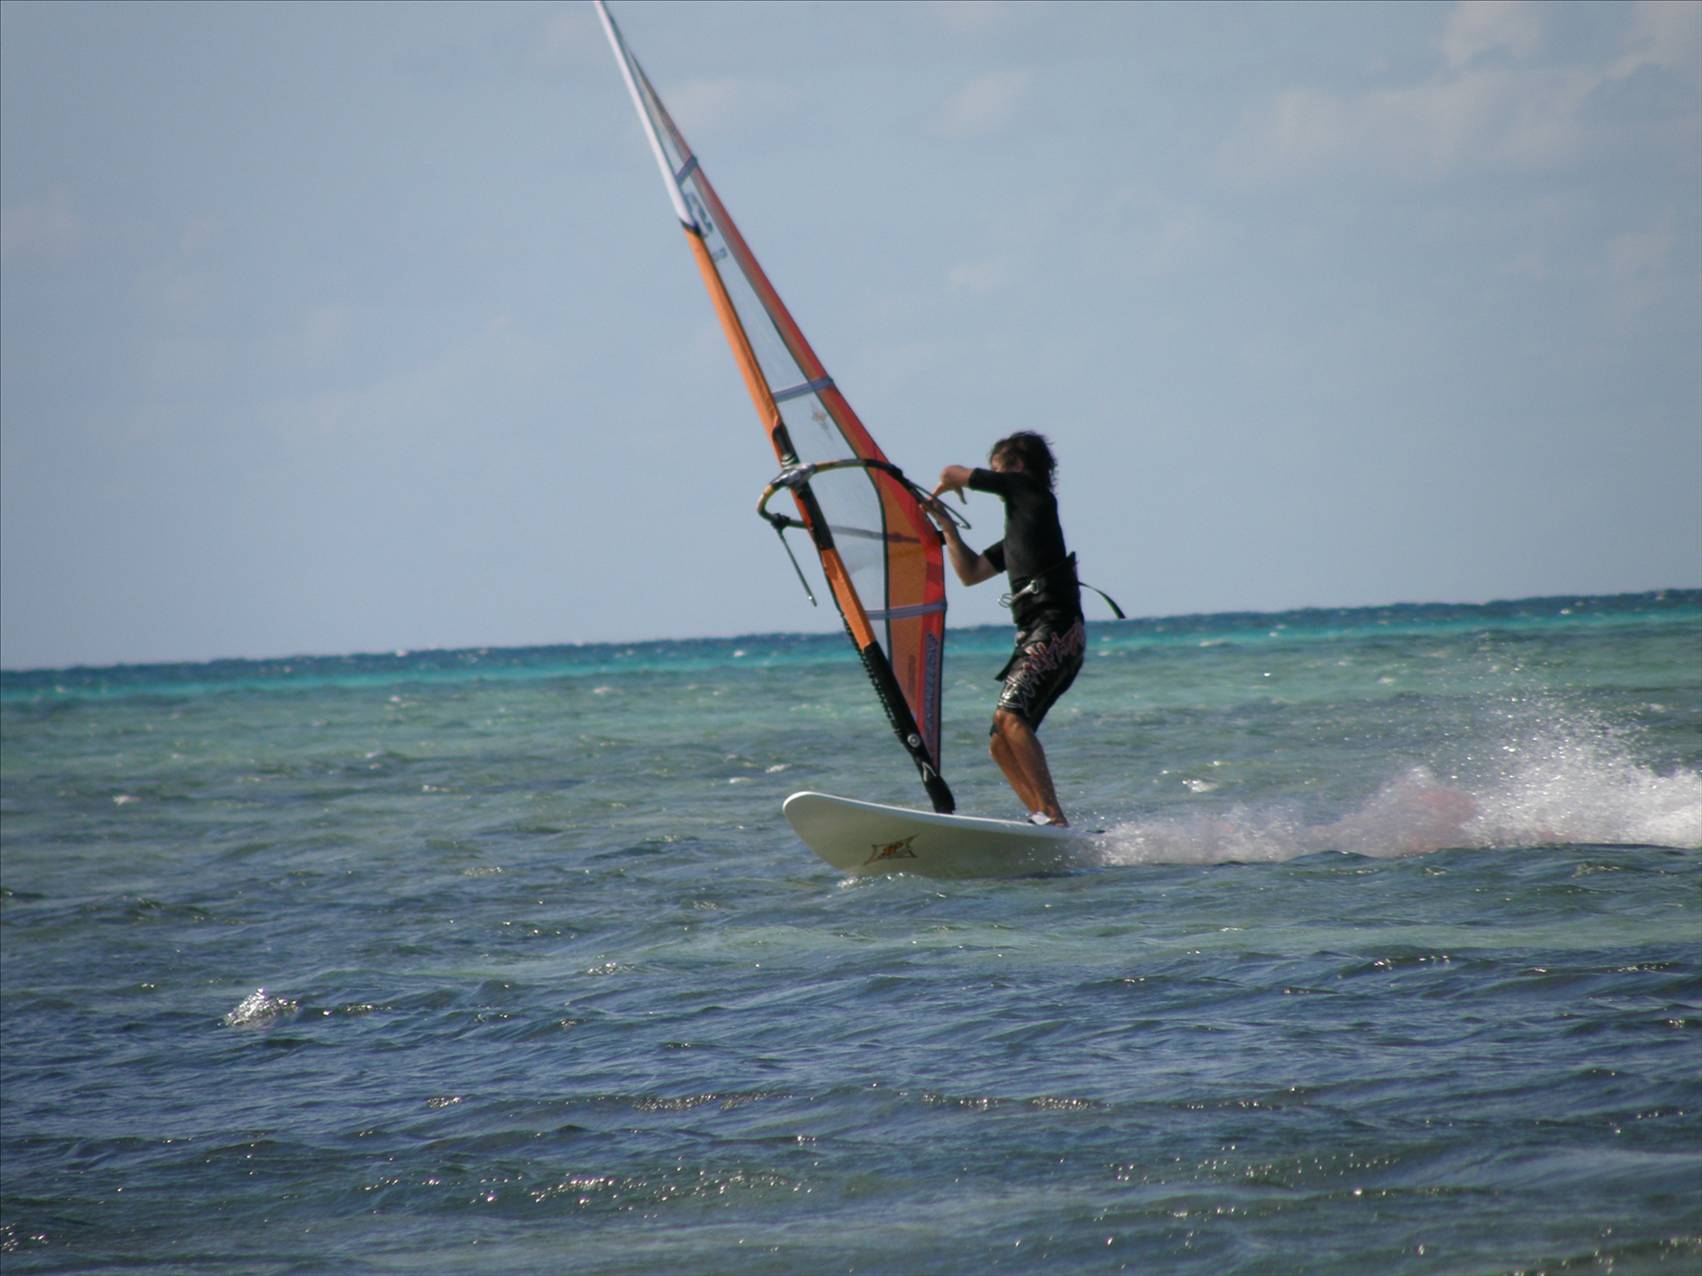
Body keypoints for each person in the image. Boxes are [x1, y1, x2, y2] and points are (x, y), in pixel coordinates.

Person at [929, 431, 1085, 827]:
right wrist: (947, 527)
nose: (996, 482)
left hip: (1056, 629)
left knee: (1011, 717)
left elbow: (952, 472)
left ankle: (1052, 815)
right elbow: (970, 573)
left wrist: (945, 486)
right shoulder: (1022, 531)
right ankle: (1043, 818)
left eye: (998, 472)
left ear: (1015, 468)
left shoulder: (1031, 491)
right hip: (1039, 634)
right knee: (1001, 741)